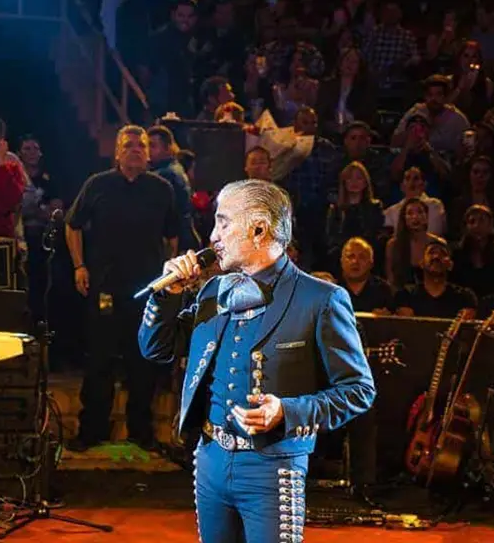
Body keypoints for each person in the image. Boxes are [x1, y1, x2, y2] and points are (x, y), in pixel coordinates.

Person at [138, 179, 375, 543]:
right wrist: (167, 296)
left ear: (260, 228)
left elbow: (359, 391)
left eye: (223, 222)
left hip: (272, 466)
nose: (213, 235)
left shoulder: (321, 299)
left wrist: (288, 411)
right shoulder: (214, 291)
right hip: (211, 460)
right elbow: (156, 349)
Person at [66, 124, 179, 451]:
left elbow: (172, 236)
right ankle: (92, 431)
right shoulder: (98, 185)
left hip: (146, 290)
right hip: (104, 286)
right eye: (128, 145)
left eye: (141, 146)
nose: (135, 150)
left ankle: (141, 433)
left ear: (149, 153)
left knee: (142, 361)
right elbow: (72, 225)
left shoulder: (161, 189)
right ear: (117, 152)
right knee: (100, 358)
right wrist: (79, 265)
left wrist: (166, 275)